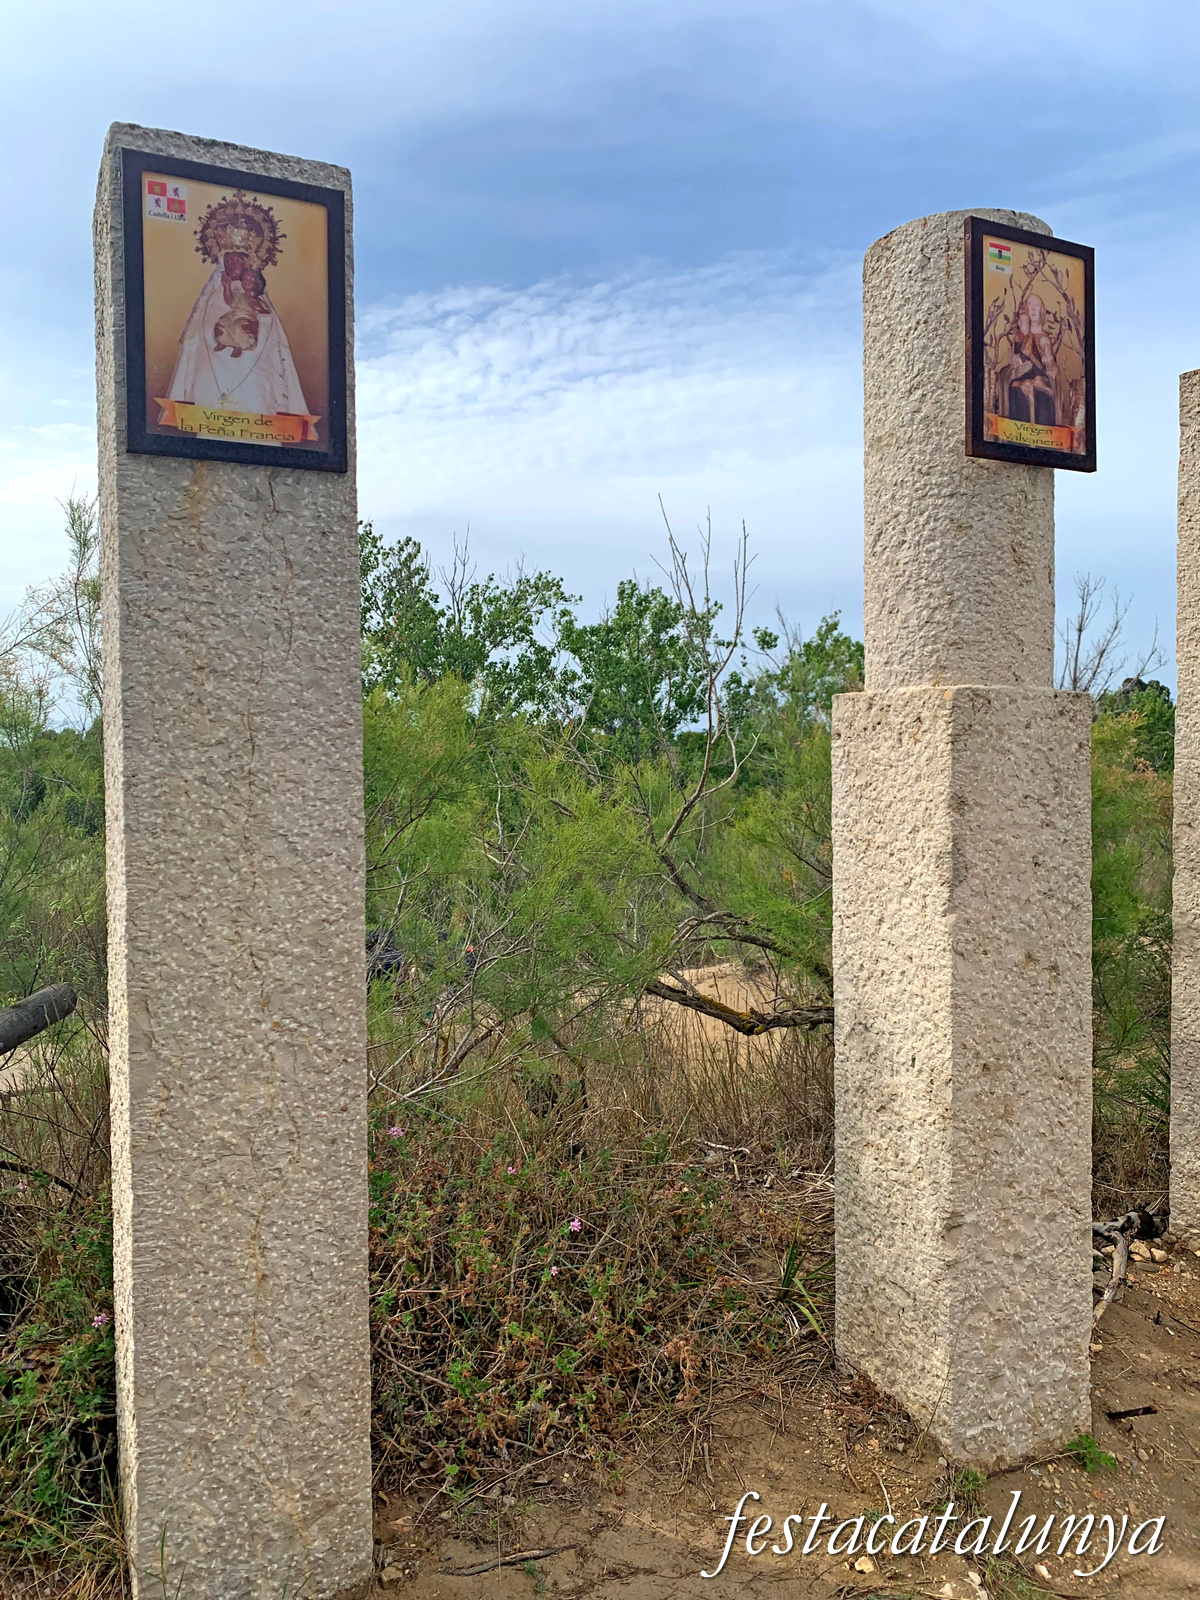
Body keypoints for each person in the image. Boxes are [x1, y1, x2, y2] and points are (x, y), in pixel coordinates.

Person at [163, 196, 309, 419]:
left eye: (238, 261)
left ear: (247, 264)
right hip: (215, 364)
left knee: (256, 388)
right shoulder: (212, 296)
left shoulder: (259, 297)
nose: (233, 266)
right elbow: (201, 330)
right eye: (228, 261)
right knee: (209, 375)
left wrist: (254, 328)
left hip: (251, 364)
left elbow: (271, 336)